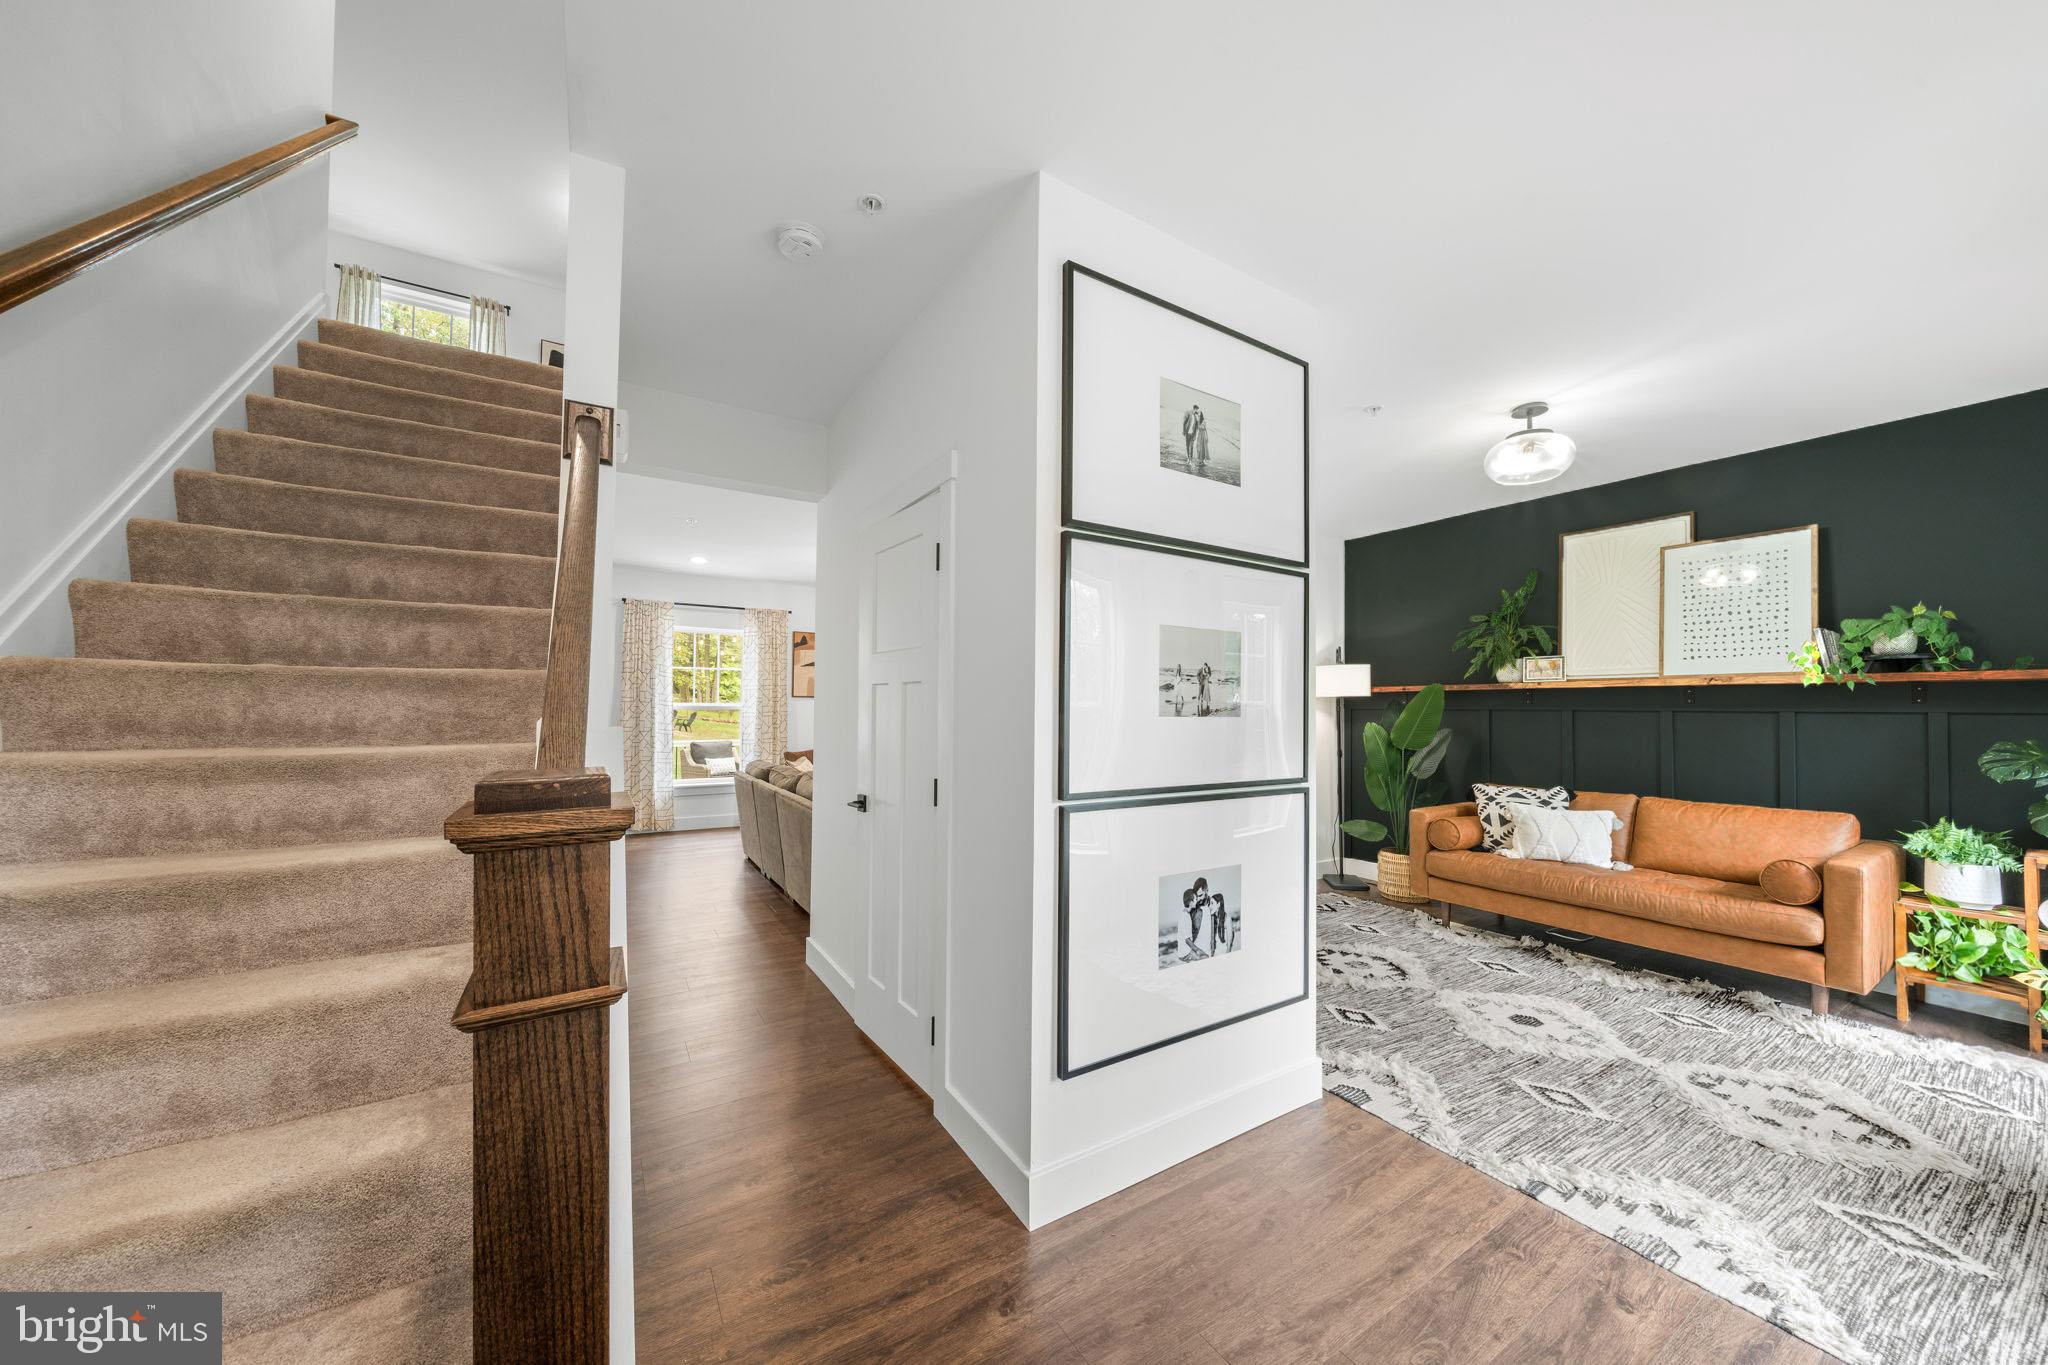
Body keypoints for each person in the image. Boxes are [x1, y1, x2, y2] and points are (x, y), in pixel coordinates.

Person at [1193, 405, 1210, 474]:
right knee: (1198, 447)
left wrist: (1207, 437)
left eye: (1199, 414)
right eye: (1198, 414)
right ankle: (1200, 460)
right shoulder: (1199, 420)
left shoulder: (1203, 421)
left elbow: (1204, 429)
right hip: (1199, 435)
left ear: (1201, 415)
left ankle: (1201, 461)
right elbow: (1196, 428)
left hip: (1203, 435)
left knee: (1202, 448)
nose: (1198, 415)